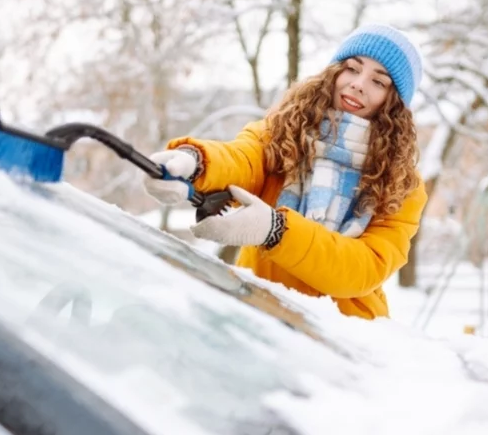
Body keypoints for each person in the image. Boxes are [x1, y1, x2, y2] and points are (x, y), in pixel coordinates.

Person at [143, 24, 428, 320]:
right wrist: (194, 161)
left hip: (344, 332)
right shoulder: (285, 131)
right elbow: (243, 159)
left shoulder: (402, 183)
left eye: (378, 82)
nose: (358, 84)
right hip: (259, 309)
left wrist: (277, 230)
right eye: (352, 69)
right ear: (334, 72)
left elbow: (363, 269)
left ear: (394, 102)